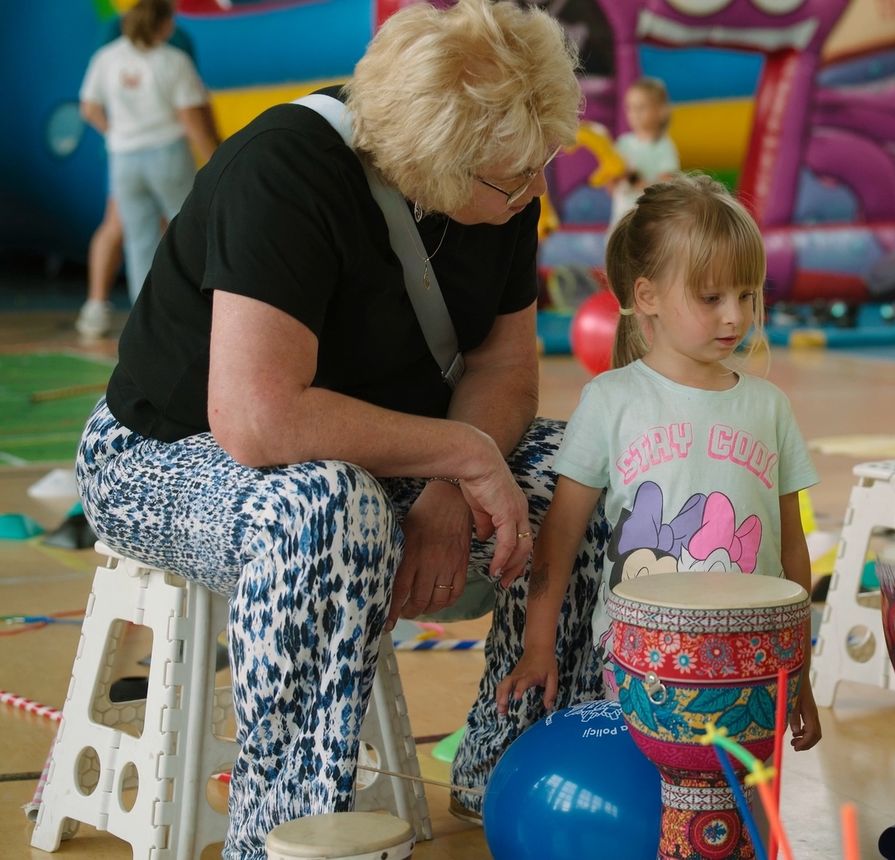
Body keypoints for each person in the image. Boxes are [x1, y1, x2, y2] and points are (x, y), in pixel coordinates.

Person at [74, 2, 595, 855]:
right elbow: (257, 418)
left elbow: (505, 371)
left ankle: (519, 768)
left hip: (379, 453)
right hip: (162, 453)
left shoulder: (502, 184)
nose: (535, 188)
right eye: (515, 178)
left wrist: (442, 493)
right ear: (434, 160)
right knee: (324, 510)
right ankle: (288, 834)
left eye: (542, 164)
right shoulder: (284, 169)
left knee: (584, 476)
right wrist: (460, 455)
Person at [497, 174, 823, 752]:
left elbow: (792, 548)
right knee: (654, 809)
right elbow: (560, 538)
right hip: (640, 658)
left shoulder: (770, 407)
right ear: (647, 296)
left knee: (731, 819)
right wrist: (538, 646)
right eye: (711, 297)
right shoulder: (611, 400)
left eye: (746, 295)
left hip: (752, 660)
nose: (735, 316)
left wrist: (797, 670)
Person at [78, 0, 218, 322]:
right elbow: (191, 119)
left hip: (123, 159)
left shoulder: (107, 57)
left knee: (138, 239)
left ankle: (144, 316)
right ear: (164, 24)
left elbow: (88, 107)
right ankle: (198, 305)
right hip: (166, 153)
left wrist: (114, 132)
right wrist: (214, 158)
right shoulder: (174, 60)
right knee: (188, 225)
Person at [609, 77, 680, 228]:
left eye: (641, 108)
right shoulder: (623, 143)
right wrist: (613, 180)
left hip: (649, 224)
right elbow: (612, 186)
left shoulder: (663, 146)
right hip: (621, 220)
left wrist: (635, 180)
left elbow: (666, 189)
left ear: (660, 110)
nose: (634, 113)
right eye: (630, 107)